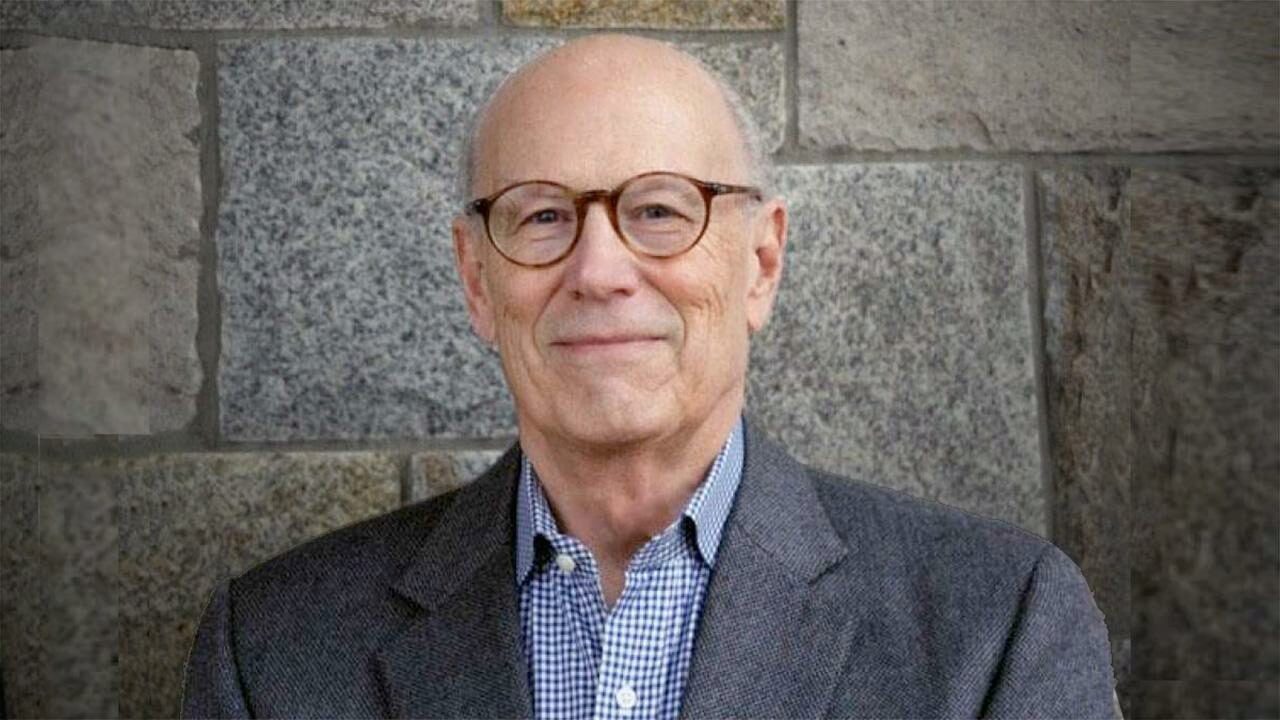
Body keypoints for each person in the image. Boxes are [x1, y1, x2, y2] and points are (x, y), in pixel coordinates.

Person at [182, 34, 1118, 719]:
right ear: (477, 279)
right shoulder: (272, 651)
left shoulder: (997, 623)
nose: (598, 270)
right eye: (542, 216)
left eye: (661, 210)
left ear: (760, 263)